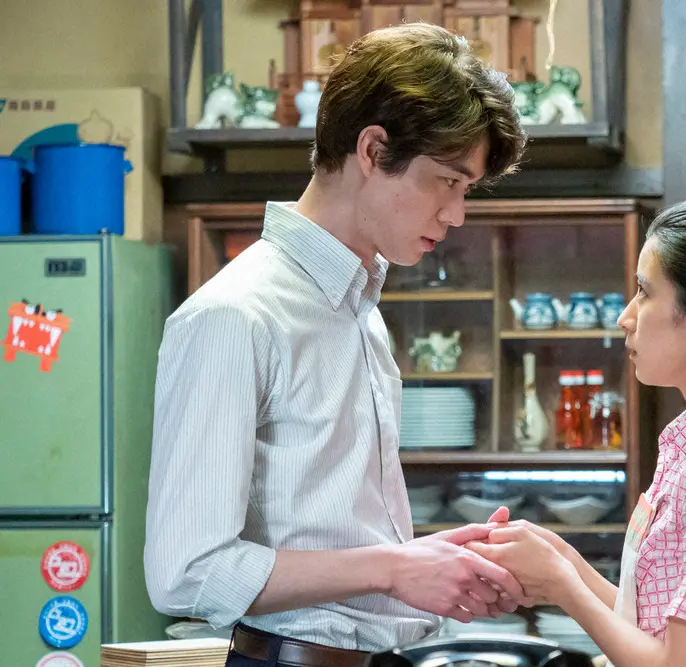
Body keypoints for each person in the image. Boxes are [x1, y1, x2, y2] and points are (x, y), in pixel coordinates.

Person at [144, 22, 530, 666]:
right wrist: (394, 569)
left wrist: (422, 561)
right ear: (373, 150)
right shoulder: (234, 315)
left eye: (466, 190)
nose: (457, 214)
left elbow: (333, 533)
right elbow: (186, 572)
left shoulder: (359, 308)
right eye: (448, 181)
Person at [468, 194, 686, 667]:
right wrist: (564, 561)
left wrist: (561, 583)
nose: (626, 317)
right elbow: (652, 624)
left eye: (644, 292)